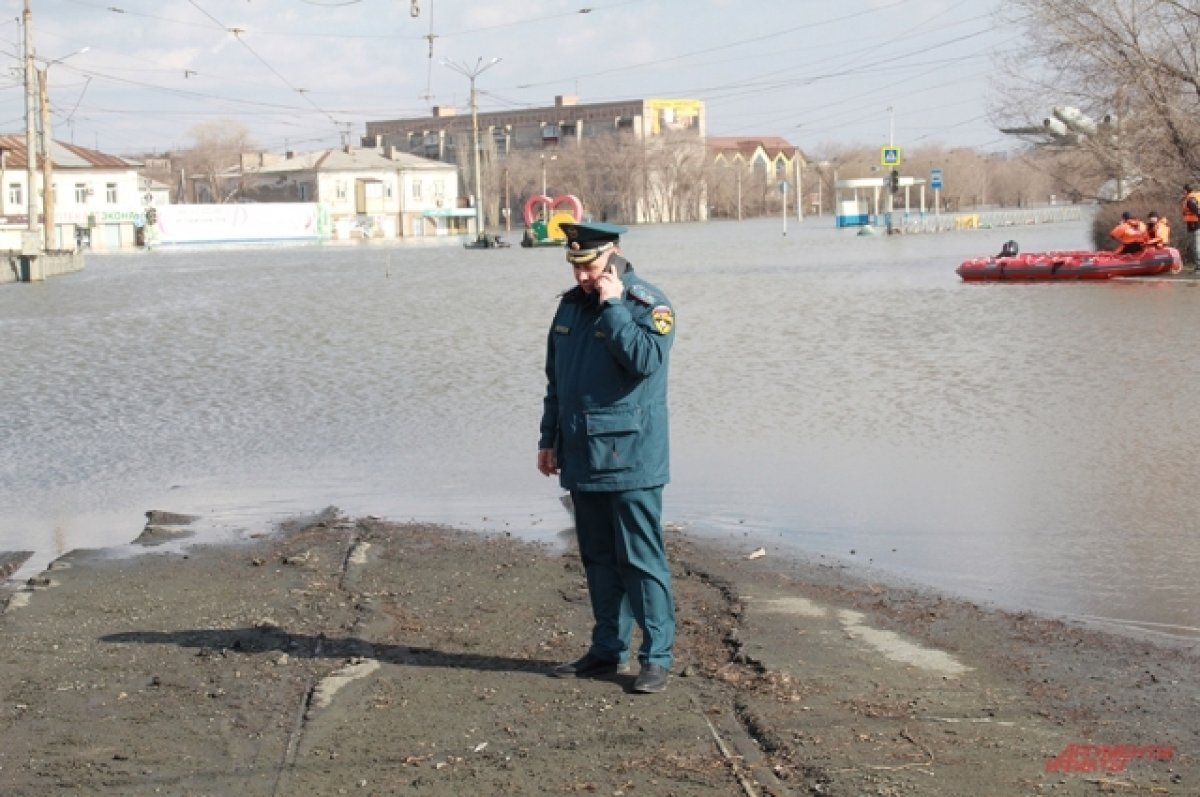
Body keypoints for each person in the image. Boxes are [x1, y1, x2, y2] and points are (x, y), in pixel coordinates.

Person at [537, 221, 677, 695]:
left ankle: (656, 657)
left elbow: (644, 361)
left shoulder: (646, 305)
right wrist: (548, 438)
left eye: (590, 266)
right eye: (574, 266)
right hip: (582, 453)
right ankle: (605, 650)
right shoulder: (570, 307)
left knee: (640, 559)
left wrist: (613, 305)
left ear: (613, 255)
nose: (582, 276)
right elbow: (558, 381)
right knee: (597, 558)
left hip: (632, 457)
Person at [1181, 184, 1200, 266]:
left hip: (1195, 225)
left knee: (1196, 246)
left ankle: (1198, 265)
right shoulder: (1193, 199)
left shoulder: (1190, 200)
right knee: (1195, 246)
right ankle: (1197, 265)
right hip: (1193, 225)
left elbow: (1197, 211)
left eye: (1183, 190)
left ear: (1186, 190)